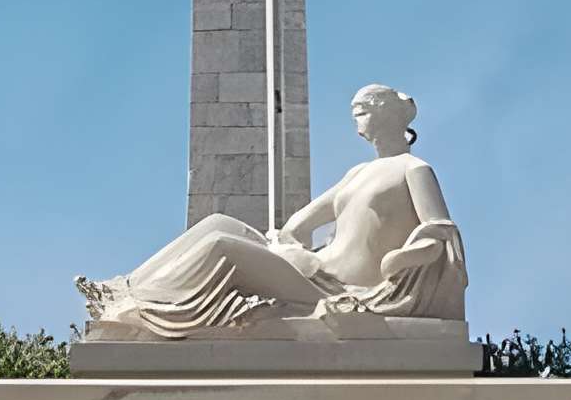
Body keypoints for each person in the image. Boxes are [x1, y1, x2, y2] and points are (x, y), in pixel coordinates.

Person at [77, 84, 466, 340]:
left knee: (222, 247)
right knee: (218, 223)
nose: (356, 120)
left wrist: (404, 257)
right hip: (312, 269)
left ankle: (141, 308)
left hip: (341, 289)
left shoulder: (413, 170)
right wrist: (288, 245)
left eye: (361, 111)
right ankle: (123, 292)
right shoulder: (357, 173)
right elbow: (301, 223)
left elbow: (440, 231)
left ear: (386, 114)